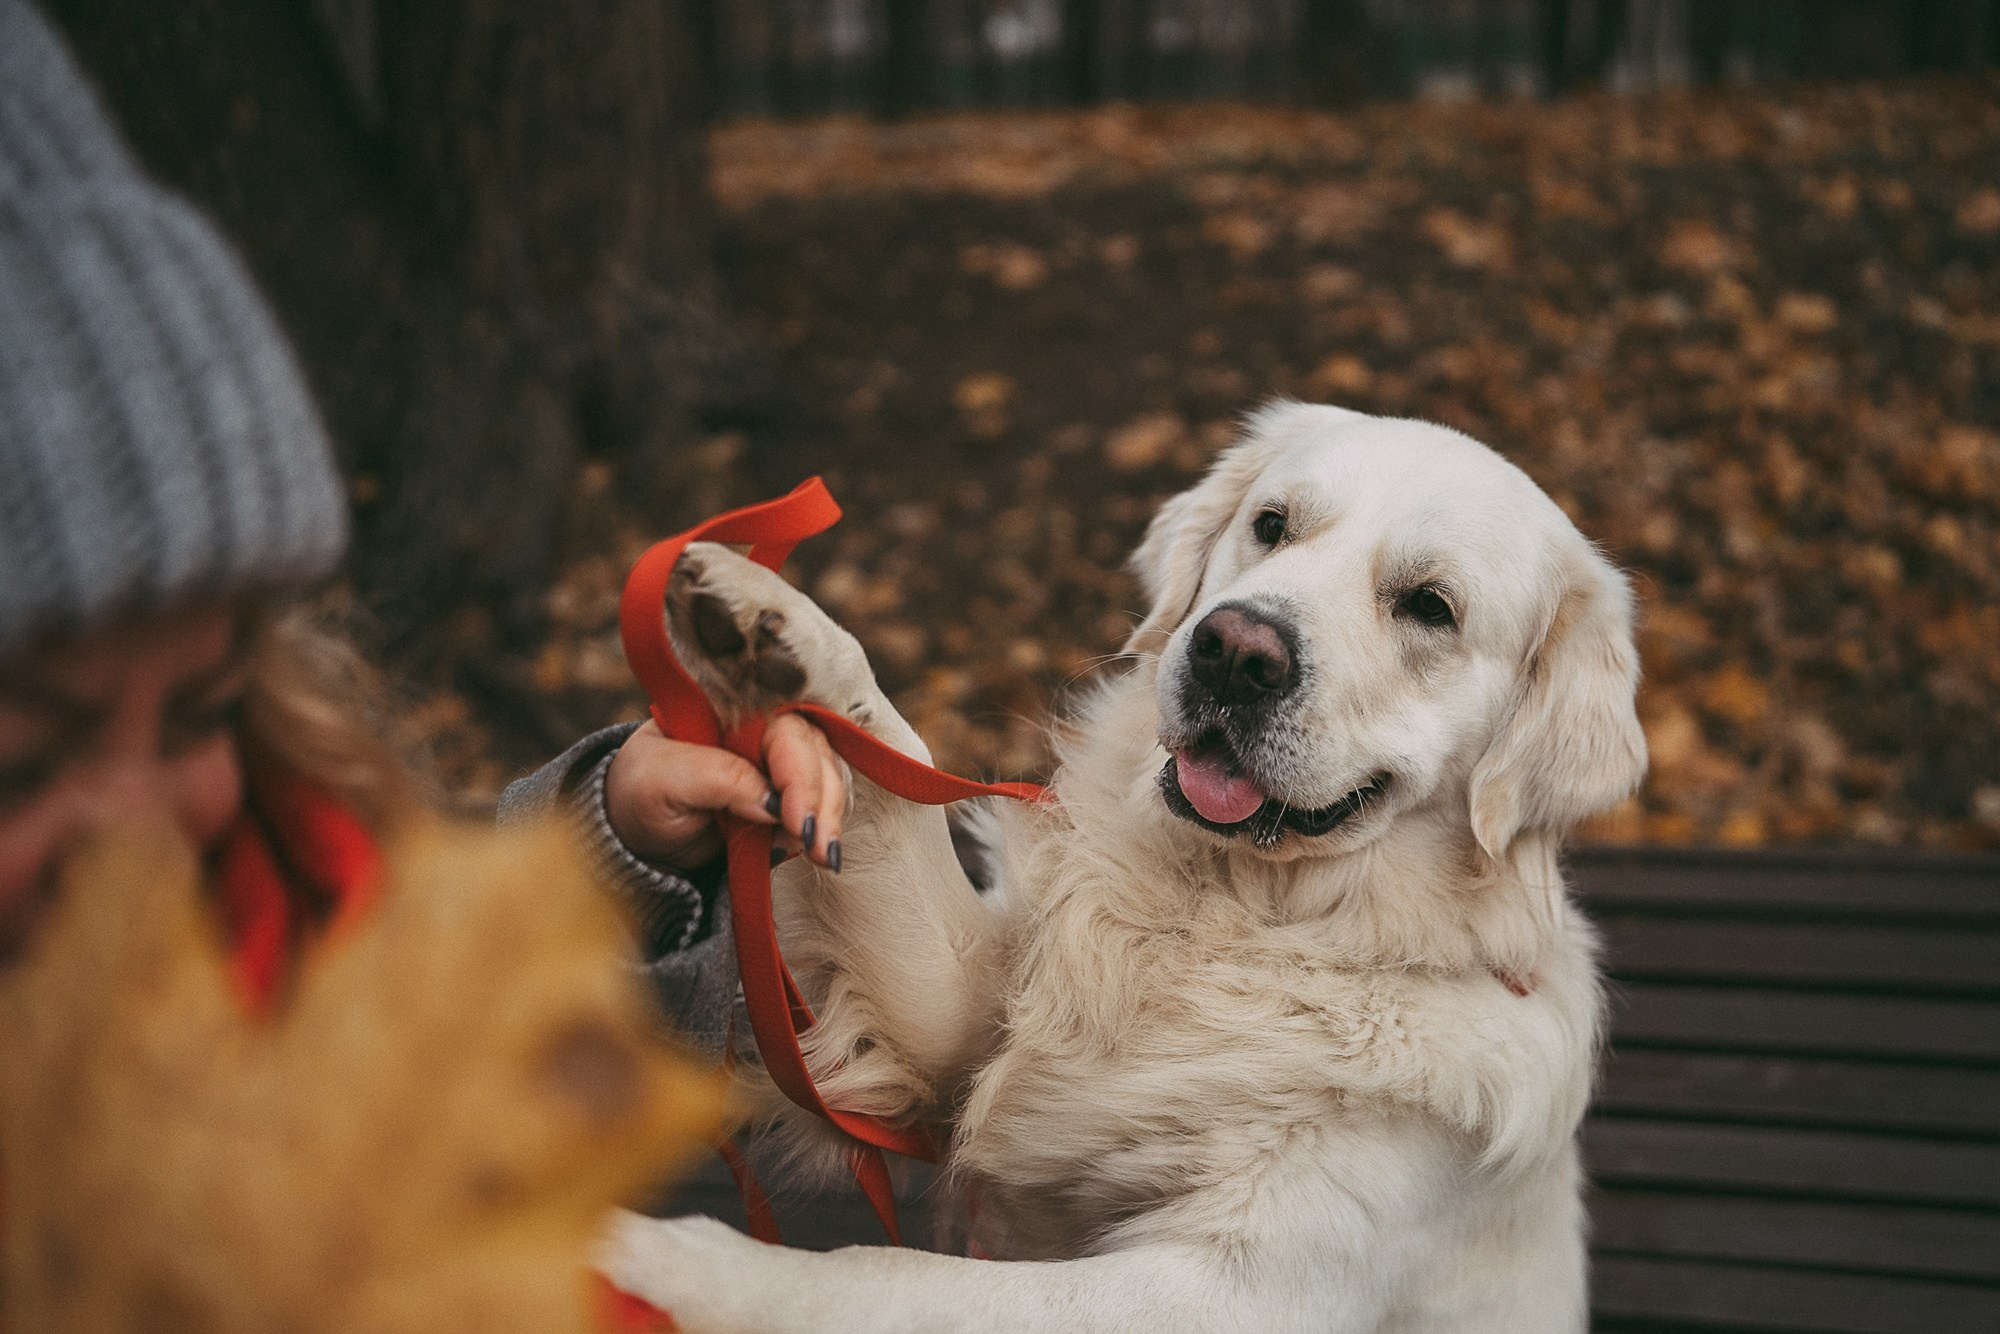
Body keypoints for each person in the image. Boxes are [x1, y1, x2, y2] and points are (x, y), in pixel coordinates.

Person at [0, 0, 838, 1044]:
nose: (149, 846)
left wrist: (617, 839)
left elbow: (429, 991)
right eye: (24, 763)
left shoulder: (284, 898)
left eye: (200, 711)